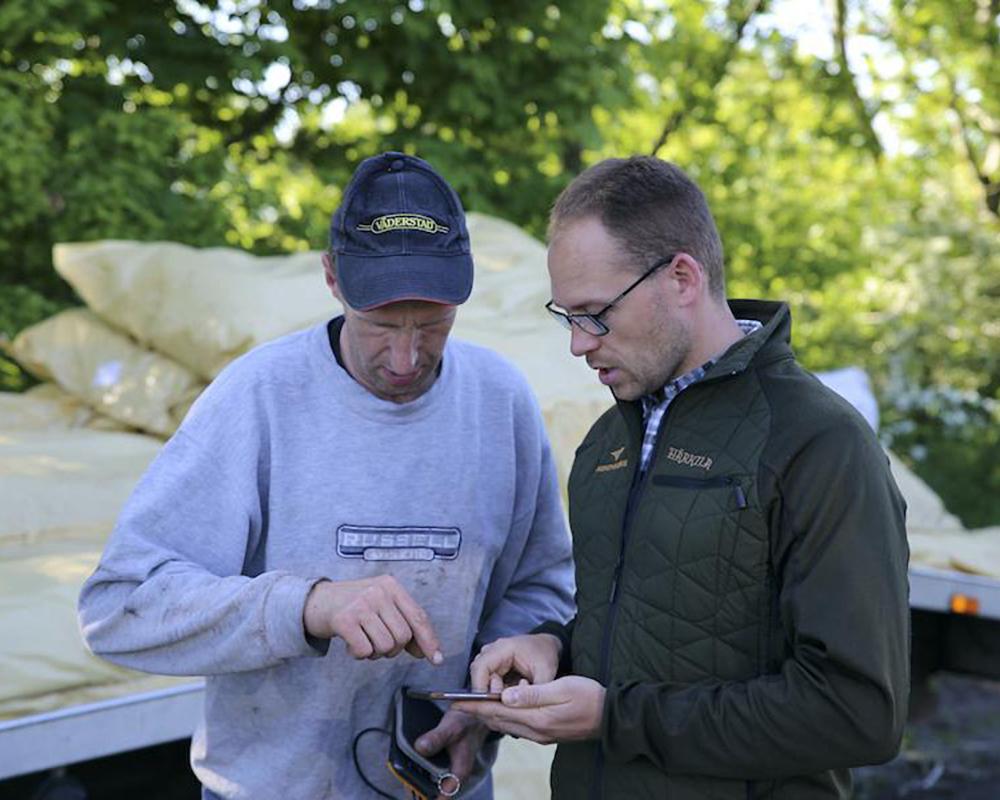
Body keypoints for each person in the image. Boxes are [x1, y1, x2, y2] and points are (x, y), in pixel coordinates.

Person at [77, 151, 575, 799]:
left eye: (432, 325)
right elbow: (118, 607)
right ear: (333, 277)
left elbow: (540, 587)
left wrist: (488, 700)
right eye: (379, 326)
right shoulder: (258, 397)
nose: (404, 357)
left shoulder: (500, 400)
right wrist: (307, 606)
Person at [456, 156, 910, 799]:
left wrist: (616, 719)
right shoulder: (606, 445)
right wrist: (556, 649)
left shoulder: (818, 442)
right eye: (567, 316)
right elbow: (656, 636)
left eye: (596, 314)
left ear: (681, 278)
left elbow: (859, 713)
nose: (578, 345)